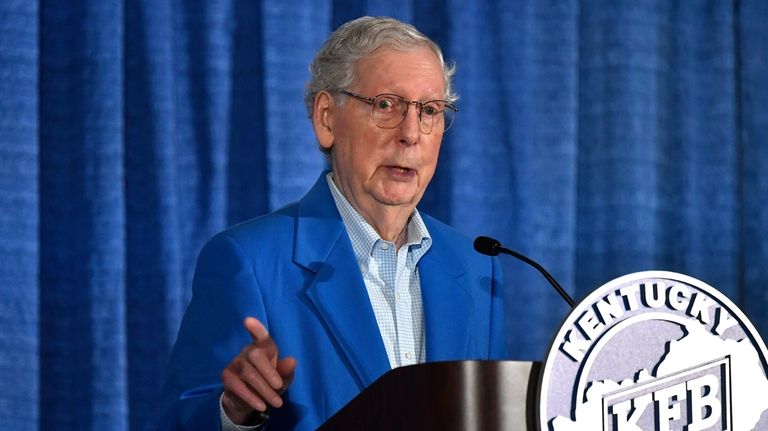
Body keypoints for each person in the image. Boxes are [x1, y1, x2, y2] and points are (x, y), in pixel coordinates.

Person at [160, 16, 508, 430]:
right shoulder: (248, 262)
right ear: (327, 118)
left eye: (430, 111)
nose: (411, 133)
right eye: (386, 105)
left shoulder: (476, 267)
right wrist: (234, 413)